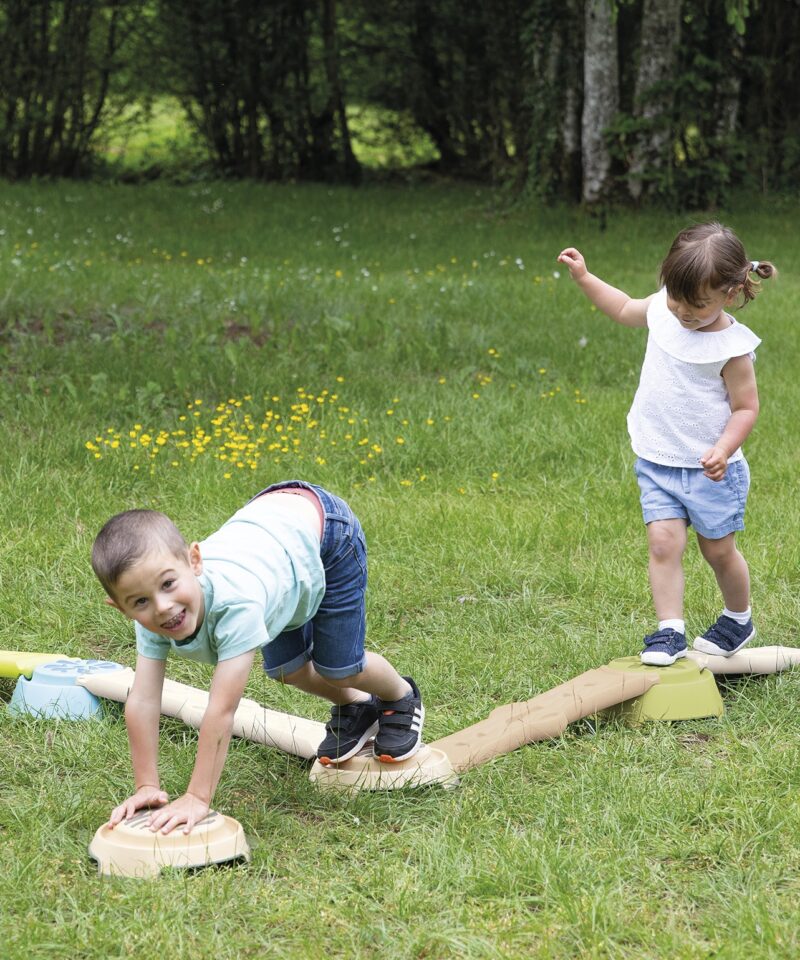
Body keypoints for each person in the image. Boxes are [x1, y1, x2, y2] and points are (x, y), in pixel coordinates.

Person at [91, 479, 424, 835]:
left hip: (325, 533)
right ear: (122, 608)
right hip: (274, 544)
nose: (163, 607)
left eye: (169, 584)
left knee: (338, 667)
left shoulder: (237, 606)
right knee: (287, 669)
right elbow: (142, 699)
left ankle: (400, 697)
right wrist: (146, 786)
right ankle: (358, 707)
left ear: (194, 560)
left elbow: (221, 710)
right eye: (140, 601)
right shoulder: (153, 616)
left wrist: (198, 797)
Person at [557, 223, 776, 667]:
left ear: (730, 294)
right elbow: (621, 307)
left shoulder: (731, 348)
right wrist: (584, 277)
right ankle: (669, 630)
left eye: (697, 305)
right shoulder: (664, 308)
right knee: (662, 543)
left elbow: (745, 408)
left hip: (712, 469)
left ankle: (738, 617)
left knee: (718, 550)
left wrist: (723, 447)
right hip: (657, 459)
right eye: (676, 299)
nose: (682, 312)